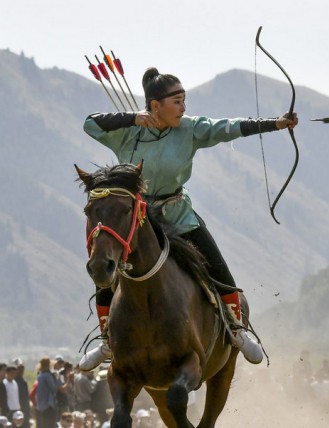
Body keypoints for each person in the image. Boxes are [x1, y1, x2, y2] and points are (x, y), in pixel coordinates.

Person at [80, 66, 298, 370]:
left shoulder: (190, 128)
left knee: (220, 270)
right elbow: (90, 124)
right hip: (139, 222)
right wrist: (132, 118)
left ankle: (236, 329)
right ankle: (107, 340)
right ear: (155, 106)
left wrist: (275, 123)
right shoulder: (128, 133)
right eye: (177, 101)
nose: (184, 108)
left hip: (177, 214)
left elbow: (228, 127)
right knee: (105, 268)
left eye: (184, 100)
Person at [12, 360, 29, 425]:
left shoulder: (23, 381)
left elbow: (26, 396)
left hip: (25, 408)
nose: (21, 370)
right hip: (16, 409)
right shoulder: (12, 381)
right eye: (19, 368)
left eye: (22, 368)